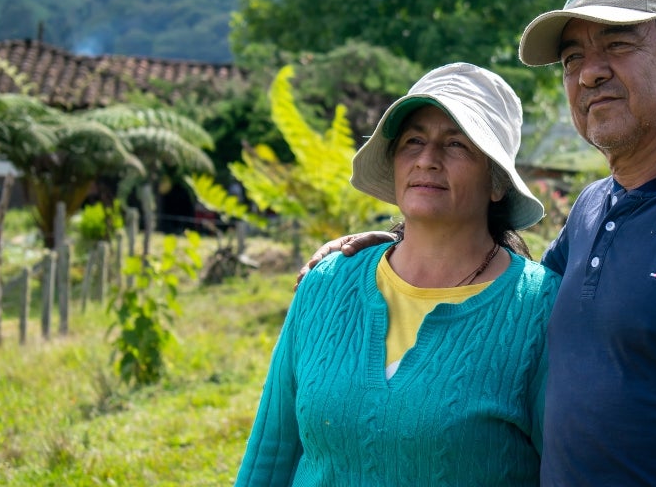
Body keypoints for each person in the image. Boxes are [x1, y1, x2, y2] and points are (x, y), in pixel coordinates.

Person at [304, 0, 656, 486]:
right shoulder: (593, 208)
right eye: (572, 57)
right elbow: (506, 281)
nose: (589, 72)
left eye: (619, 45)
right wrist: (398, 247)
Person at [235, 62, 560, 486]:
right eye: (413, 141)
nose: (427, 159)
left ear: (497, 182)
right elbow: (271, 454)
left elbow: (564, 470)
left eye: (457, 144)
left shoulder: (539, 310)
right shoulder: (327, 284)